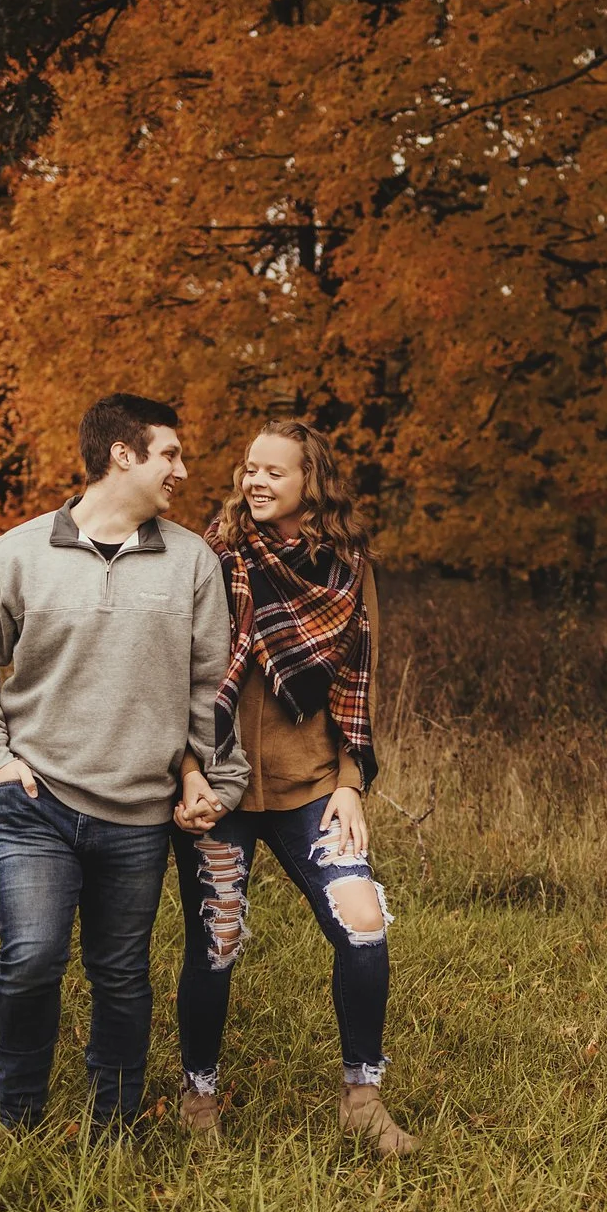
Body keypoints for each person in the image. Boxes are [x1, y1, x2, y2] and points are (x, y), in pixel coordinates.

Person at [0, 392, 247, 1157]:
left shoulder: (192, 563)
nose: (182, 469)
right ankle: (11, 1112)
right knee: (31, 958)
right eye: (169, 453)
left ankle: (114, 1127)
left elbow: (210, 687)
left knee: (121, 973)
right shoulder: (11, 556)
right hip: (36, 801)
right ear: (122, 454)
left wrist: (208, 777)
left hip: (137, 812)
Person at [171, 419, 414, 1156]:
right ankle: (198, 1097)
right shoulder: (214, 554)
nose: (256, 481)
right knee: (215, 940)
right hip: (218, 787)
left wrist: (350, 782)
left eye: (275, 471)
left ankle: (362, 1098)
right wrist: (186, 771)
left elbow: (360, 678)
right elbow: (175, 668)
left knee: (363, 922)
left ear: (312, 481)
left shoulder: (348, 568)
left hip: (311, 785)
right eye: (250, 468)